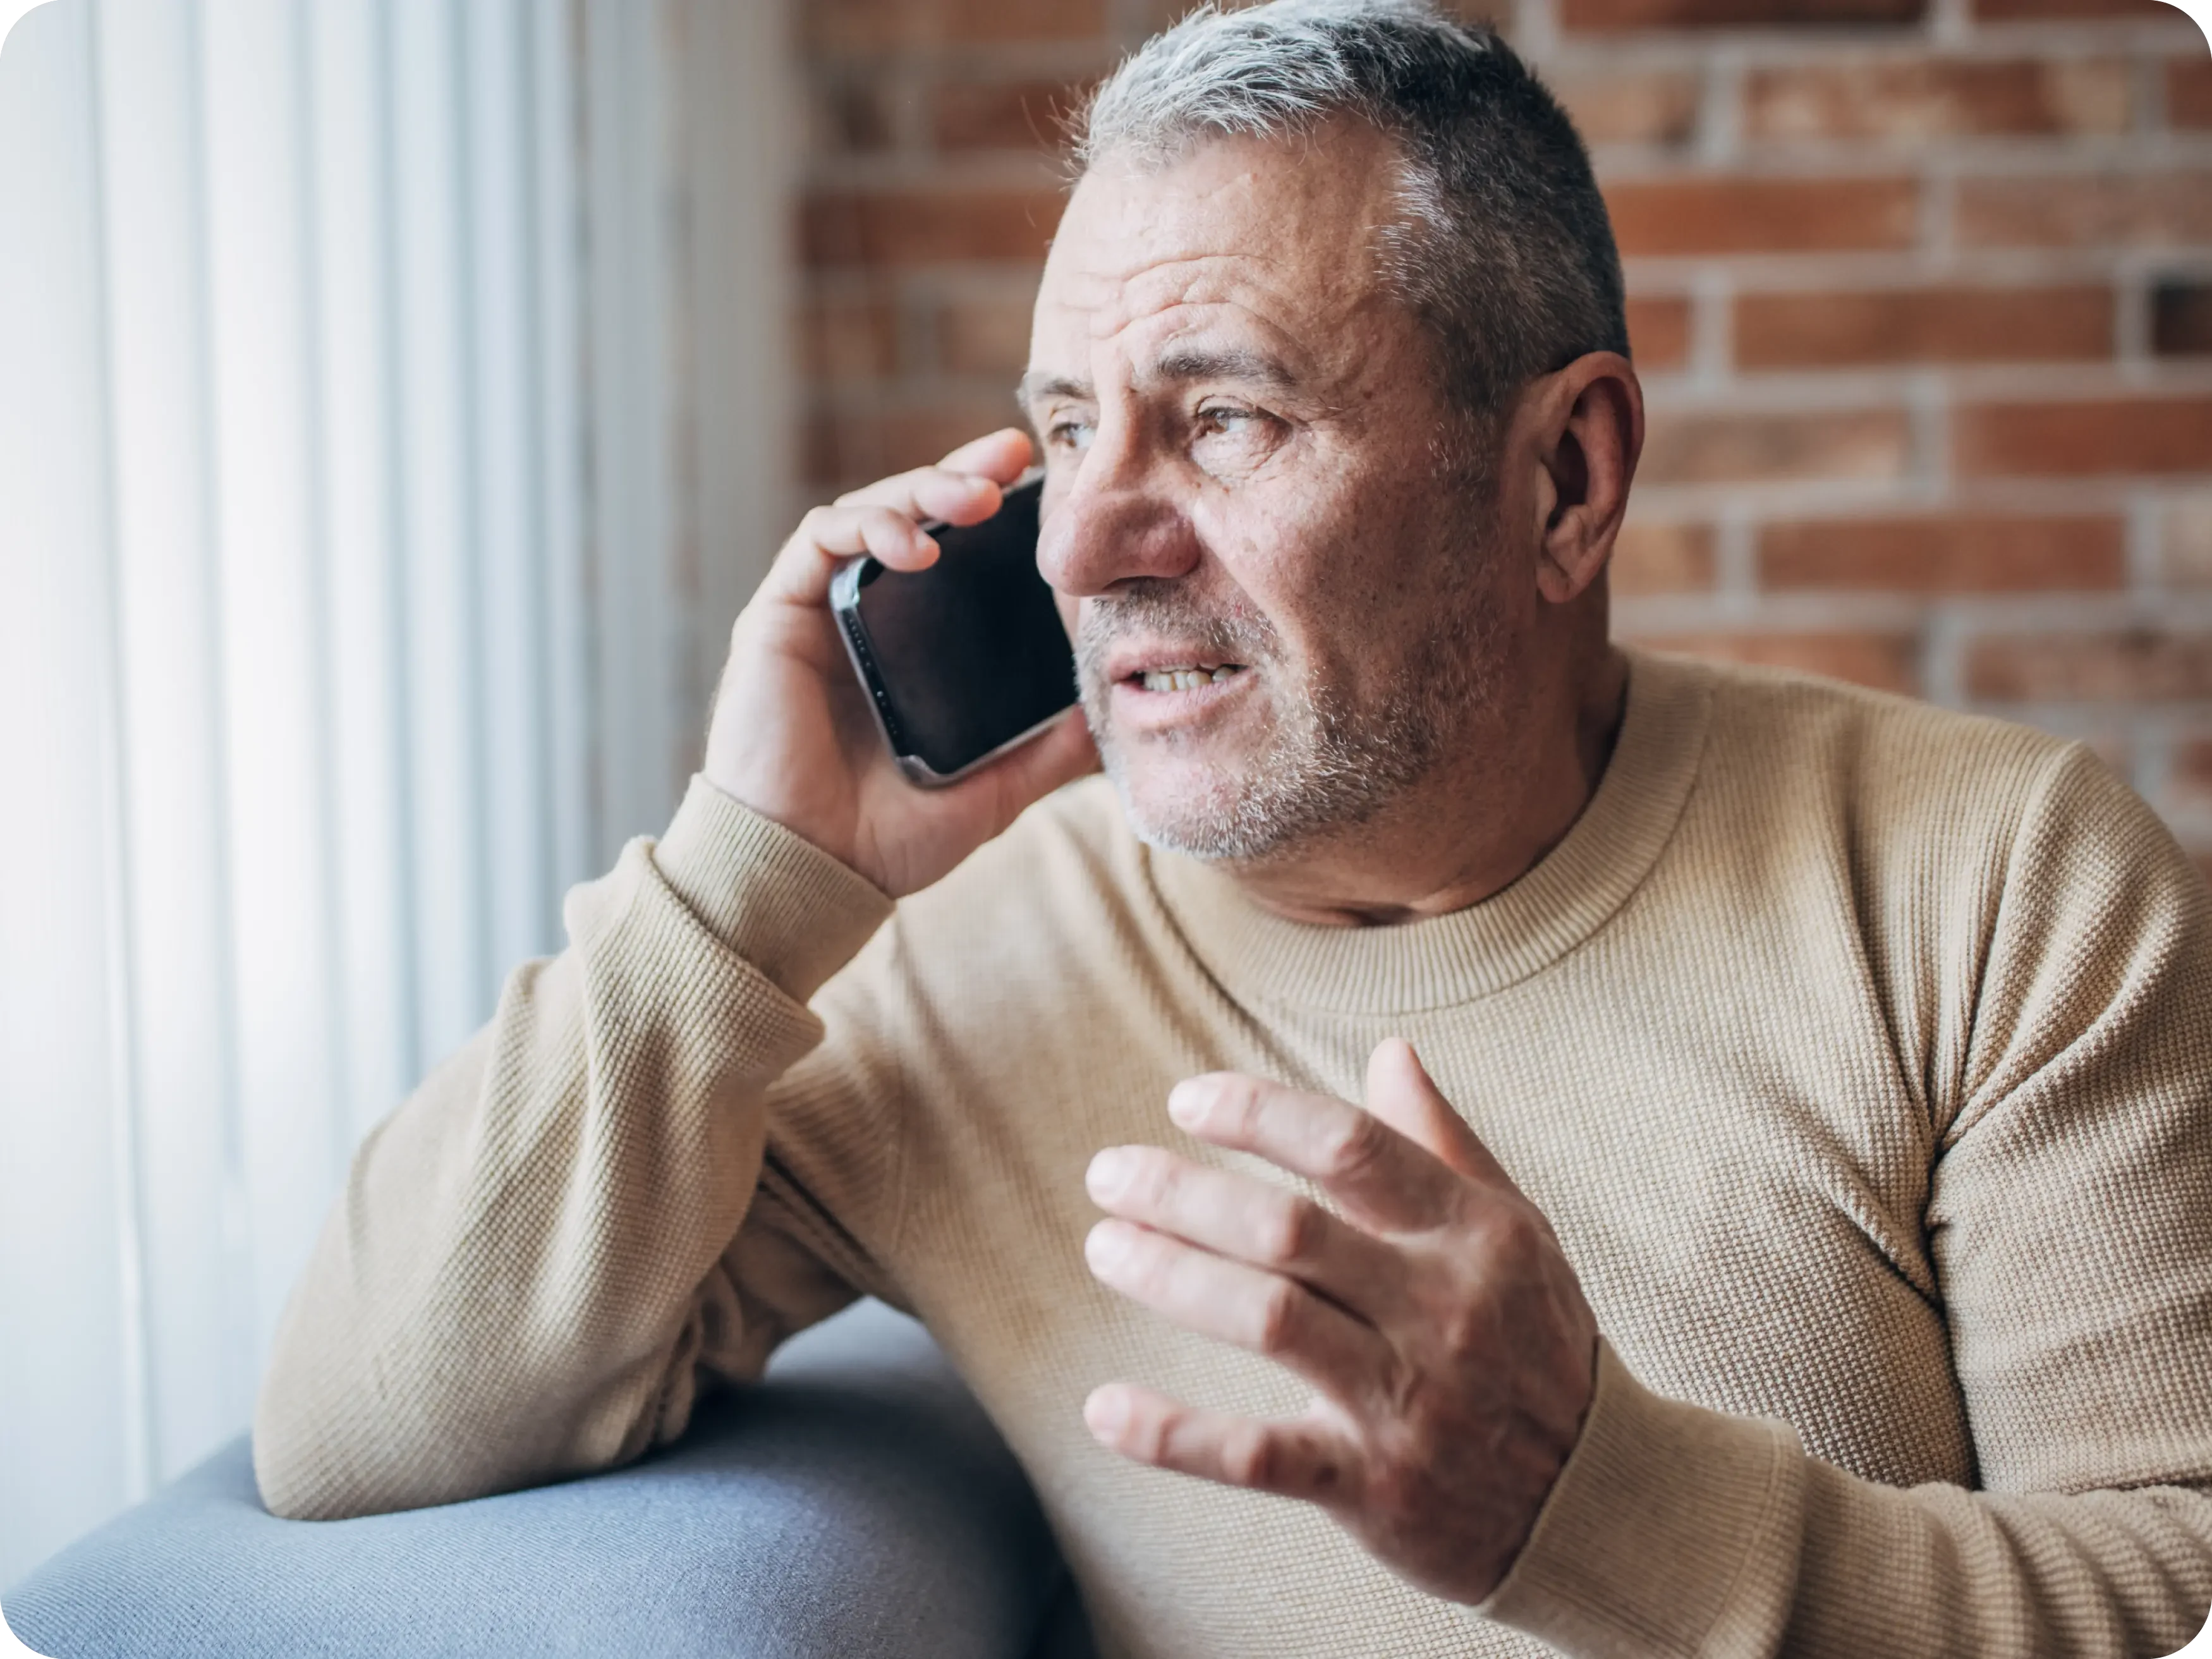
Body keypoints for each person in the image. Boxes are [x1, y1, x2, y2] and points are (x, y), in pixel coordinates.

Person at [252, 2, 2212, 1653]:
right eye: (1068, 424)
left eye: (1225, 420)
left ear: (1564, 478)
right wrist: (744, 882)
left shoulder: (1999, 881)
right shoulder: (952, 960)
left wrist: (1593, 1503)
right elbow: (354, 1426)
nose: (1088, 544)